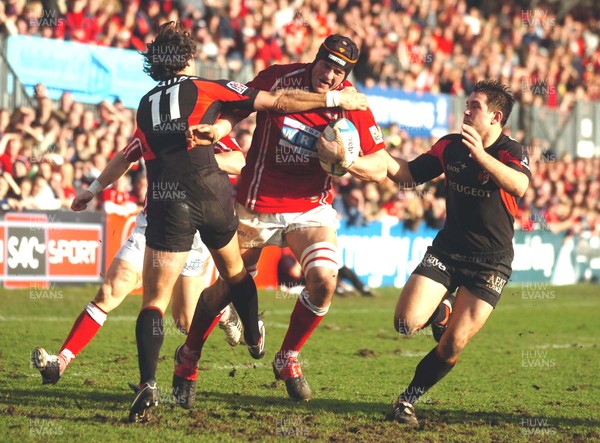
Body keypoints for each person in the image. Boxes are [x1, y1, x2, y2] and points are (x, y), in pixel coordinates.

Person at [71, 22, 368, 422]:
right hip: (211, 197)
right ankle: (253, 332)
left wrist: (92, 188)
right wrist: (331, 98)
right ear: (189, 58)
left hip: (166, 202)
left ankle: (147, 384)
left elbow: (129, 154)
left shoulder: (144, 105)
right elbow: (271, 103)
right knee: (235, 274)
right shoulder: (205, 86)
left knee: (154, 303)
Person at [186, 34, 387, 402]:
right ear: (316, 59)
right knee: (227, 287)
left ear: (346, 75)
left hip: (309, 206)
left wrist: (347, 162)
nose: (329, 75)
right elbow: (236, 109)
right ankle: (188, 360)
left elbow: (381, 166)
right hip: (256, 203)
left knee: (325, 280)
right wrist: (218, 130)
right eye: (325, 65)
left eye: (338, 72)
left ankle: (287, 357)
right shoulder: (279, 77)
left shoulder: (352, 102)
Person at [31, 137, 245, 386]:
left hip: (196, 230)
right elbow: (125, 156)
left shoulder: (208, 120)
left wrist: (196, 161)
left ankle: (224, 311)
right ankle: (61, 362)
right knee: (110, 291)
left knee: (185, 321)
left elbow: (240, 161)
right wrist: (93, 190)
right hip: (153, 222)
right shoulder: (154, 114)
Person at [386, 80, 531, 425]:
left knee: (451, 347)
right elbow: (407, 173)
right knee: (405, 323)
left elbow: (520, 185)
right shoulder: (450, 146)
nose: (465, 111)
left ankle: (407, 400)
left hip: (491, 263)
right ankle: (441, 312)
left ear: (496, 117)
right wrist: (366, 154)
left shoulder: (512, 151)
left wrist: (481, 155)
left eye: (474, 106)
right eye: (466, 104)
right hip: (448, 251)